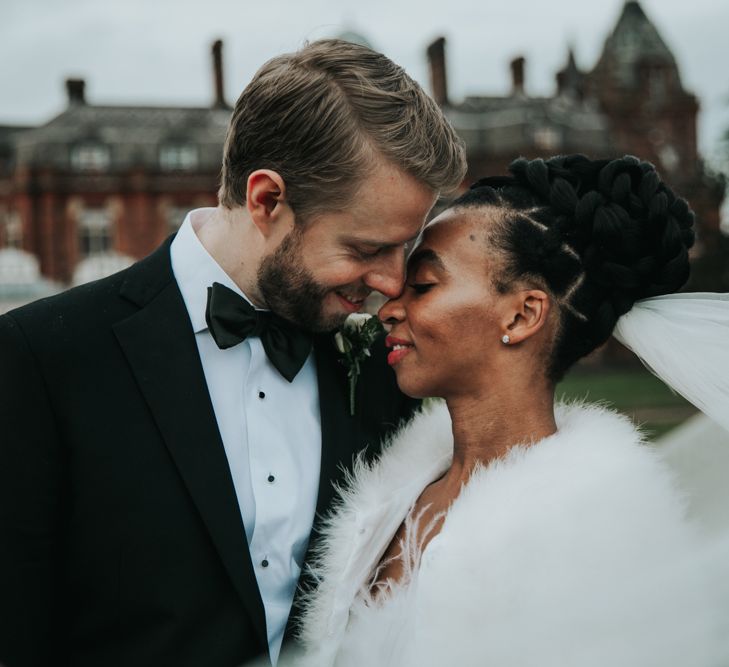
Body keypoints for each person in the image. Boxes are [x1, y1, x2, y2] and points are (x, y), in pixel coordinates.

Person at [0, 40, 466, 667]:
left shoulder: (380, 365)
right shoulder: (40, 358)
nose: (389, 283)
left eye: (403, 250)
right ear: (266, 199)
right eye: (364, 248)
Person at [295, 155, 729, 666]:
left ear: (523, 314)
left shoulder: (592, 534)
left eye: (424, 286)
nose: (387, 303)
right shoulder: (394, 491)